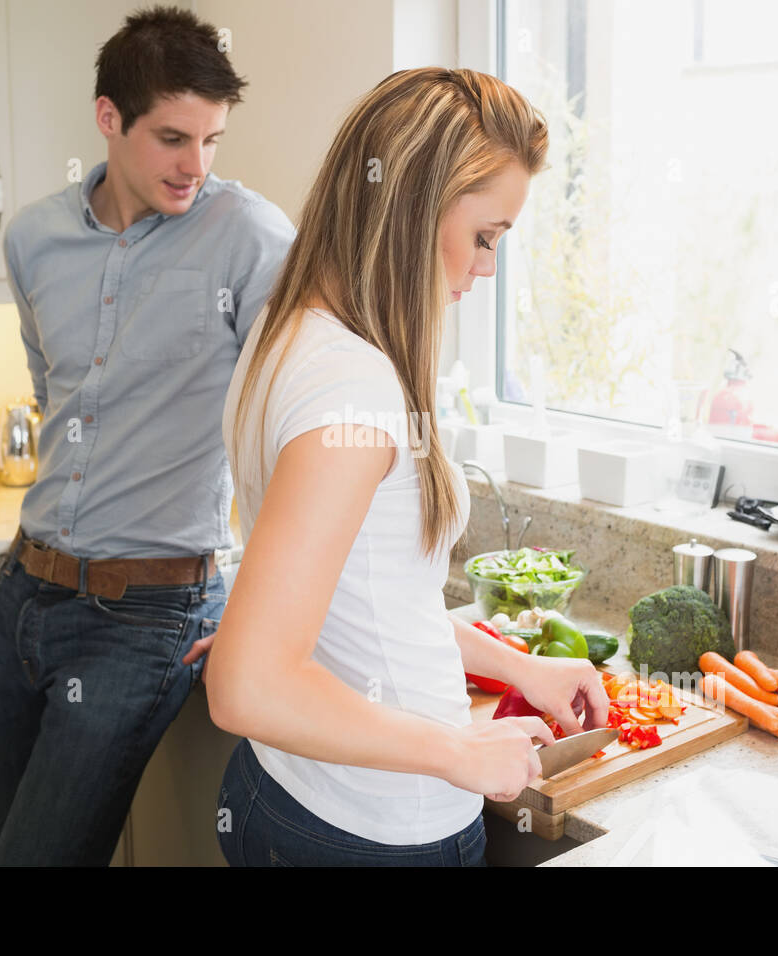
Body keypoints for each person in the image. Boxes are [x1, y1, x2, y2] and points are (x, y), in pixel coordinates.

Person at [204, 67, 609, 867]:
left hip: (298, 796)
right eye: (486, 234)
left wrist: (520, 665)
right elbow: (245, 683)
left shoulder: (289, 334)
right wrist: (458, 751)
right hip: (368, 830)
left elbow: (378, 610)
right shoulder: (353, 389)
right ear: (413, 209)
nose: (488, 267)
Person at [0, 5, 295, 866]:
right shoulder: (33, 238)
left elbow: (286, 436)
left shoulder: (253, 240)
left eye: (213, 140)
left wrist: (267, 604)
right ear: (108, 118)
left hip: (145, 615)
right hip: (21, 592)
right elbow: (57, 400)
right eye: (173, 138)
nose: (196, 166)